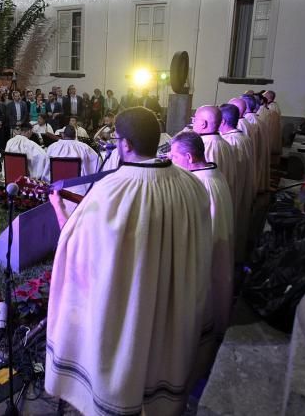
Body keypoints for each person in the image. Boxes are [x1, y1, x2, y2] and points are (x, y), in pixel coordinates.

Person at [46, 107, 212, 415]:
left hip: (132, 311)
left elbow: (76, 248)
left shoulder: (111, 190)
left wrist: (58, 206)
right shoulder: (192, 184)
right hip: (171, 313)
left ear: (126, 144)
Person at [171, 131, 235, 341]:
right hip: (218, 245)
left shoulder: (200, 185)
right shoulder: (212, 173)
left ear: (189, 157)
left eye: (174, 157)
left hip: (206, 253)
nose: (171, 161)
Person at [219, 103, 255, 261]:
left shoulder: (230, 142)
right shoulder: (241, 137)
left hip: (234, 186)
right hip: (241, 185)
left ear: (223, 121)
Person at [192, 105, 238, 204]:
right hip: (224, 196)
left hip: (208, 200)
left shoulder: (203, 146)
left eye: (195, 119)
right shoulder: (226, 143)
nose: (193, 123)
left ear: (203, 124)